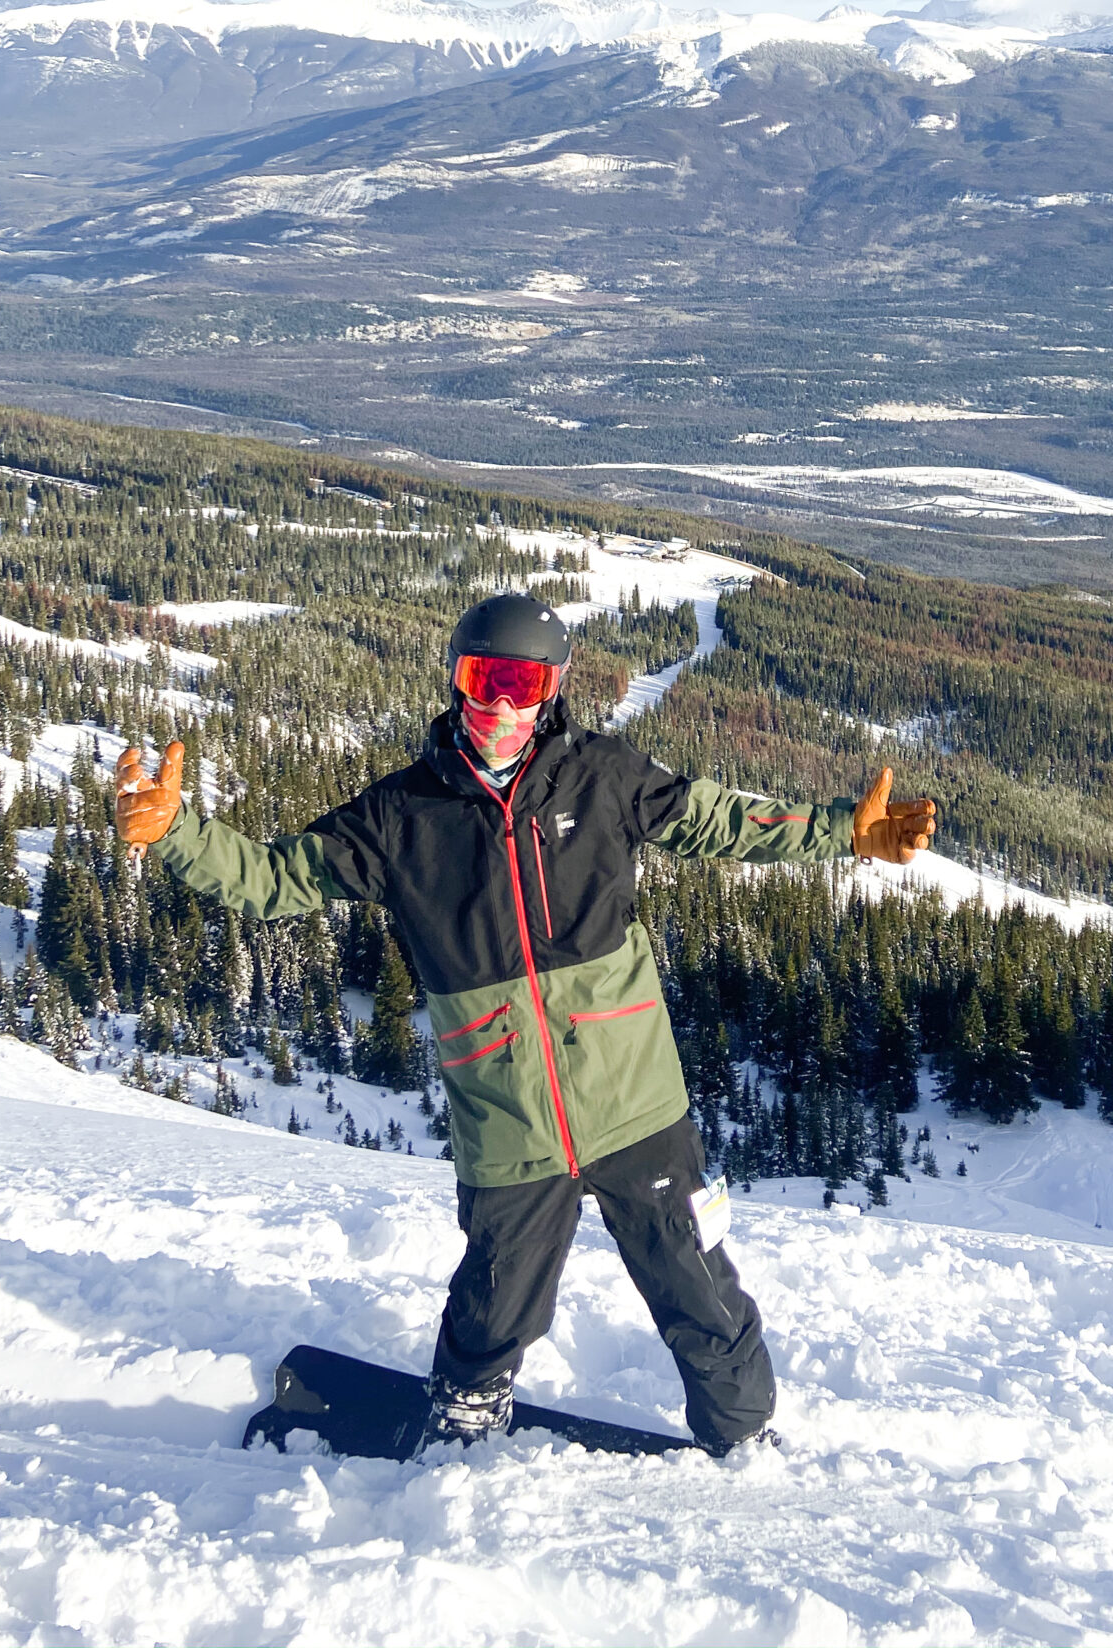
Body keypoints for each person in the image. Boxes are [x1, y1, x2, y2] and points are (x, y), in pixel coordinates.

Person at [114, 589, 935, 1456]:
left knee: (694, 1280)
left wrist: (845, 831)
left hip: (635, 1103)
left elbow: (719, 819)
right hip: (508, 1120)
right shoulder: (402, 819)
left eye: (520, 682)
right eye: (483, 679)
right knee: (496, 1298)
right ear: (457, 683)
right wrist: (177, 834)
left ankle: (745, 1433)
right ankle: (466, 1421)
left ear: (553, 690)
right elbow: (273, 879)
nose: (500, 706)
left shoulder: (603, 776)